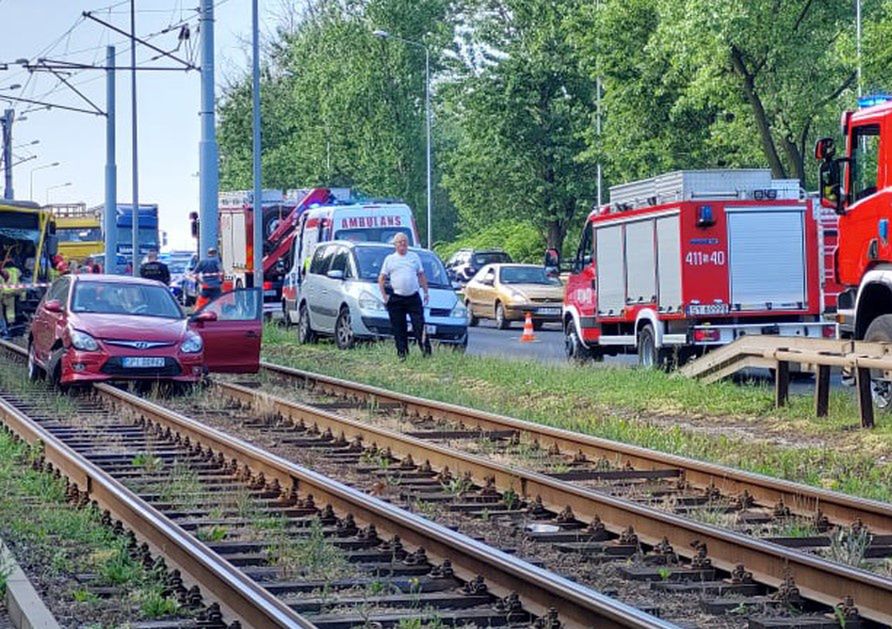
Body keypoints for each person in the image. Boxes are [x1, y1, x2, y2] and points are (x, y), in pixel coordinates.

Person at [378, 234, 431, 359]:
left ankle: (426, 352)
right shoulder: (390, 259)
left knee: (419, 325)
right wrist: (385, 296)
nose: (402, 244)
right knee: (399, 327)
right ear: (395, 245)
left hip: (413, 297)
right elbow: (381, 279)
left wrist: (426, 292)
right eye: (399, 242)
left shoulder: (414, 257)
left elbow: (421, 275)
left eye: (404, 242)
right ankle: (402, 354)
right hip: (397, 298)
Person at [193, 246, 223, 310]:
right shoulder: (216, 262)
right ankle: (218, 314)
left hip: (206, 287)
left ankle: (198, 312)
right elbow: (221, 273)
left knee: (201, 302)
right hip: (216, 287)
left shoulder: (202, 262)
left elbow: (195, 274)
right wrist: (221, 281)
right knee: (218, 303)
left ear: (208, 253)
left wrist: (201, 282)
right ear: (215, 253)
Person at [0, 260, 23, 337]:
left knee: (6, 313)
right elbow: (20, 278)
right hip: (14, 293)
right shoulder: (16, 271)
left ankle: (7, 330)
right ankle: (10, 328)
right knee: (11, 312)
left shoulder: (4, 272)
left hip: (5, 293)